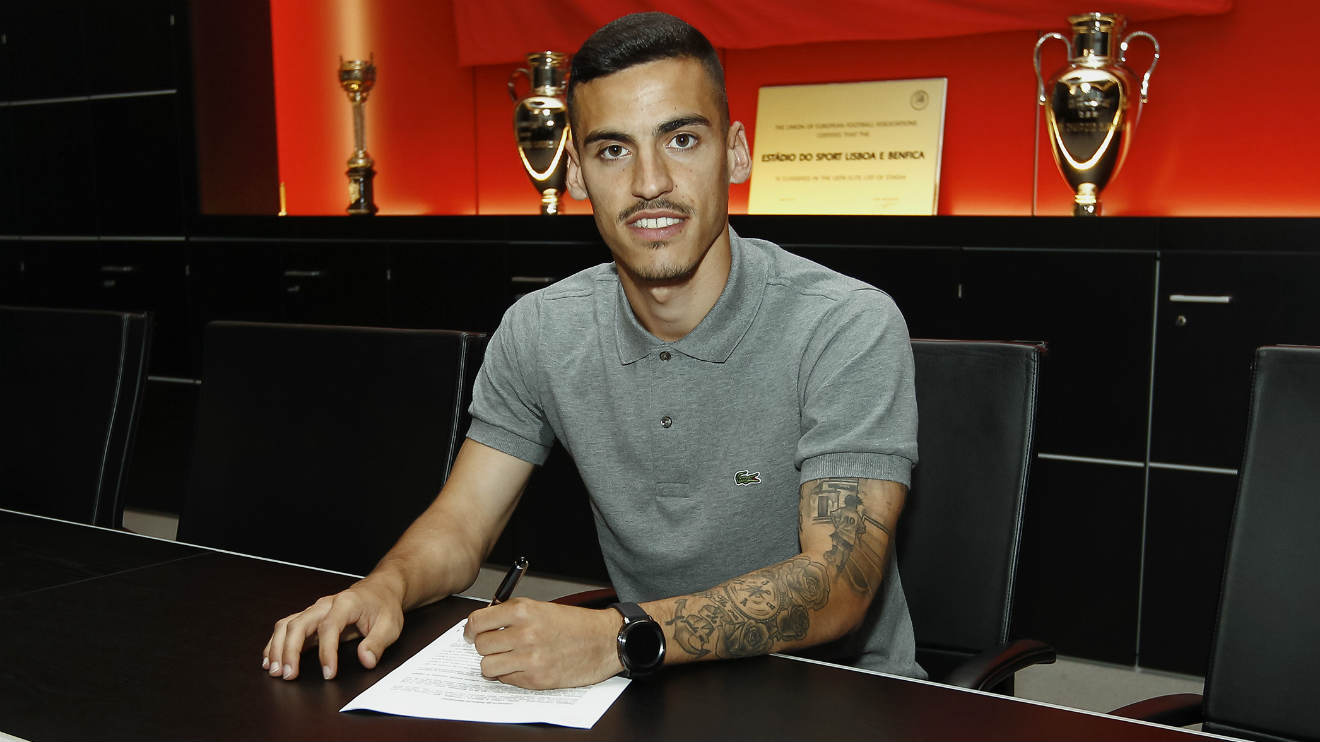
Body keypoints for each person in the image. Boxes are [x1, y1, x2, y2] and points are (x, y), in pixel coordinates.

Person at [262, 11, 922, 690]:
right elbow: (461, 525)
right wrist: (385, 588)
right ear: (576, 173)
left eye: (682, 139)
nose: (650, 182)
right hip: (655, 691)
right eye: (613, 151)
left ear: (735, 153)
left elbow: (838, 584)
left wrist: (618, 636)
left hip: (842, 698)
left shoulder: (845, 323)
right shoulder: (541, 329)